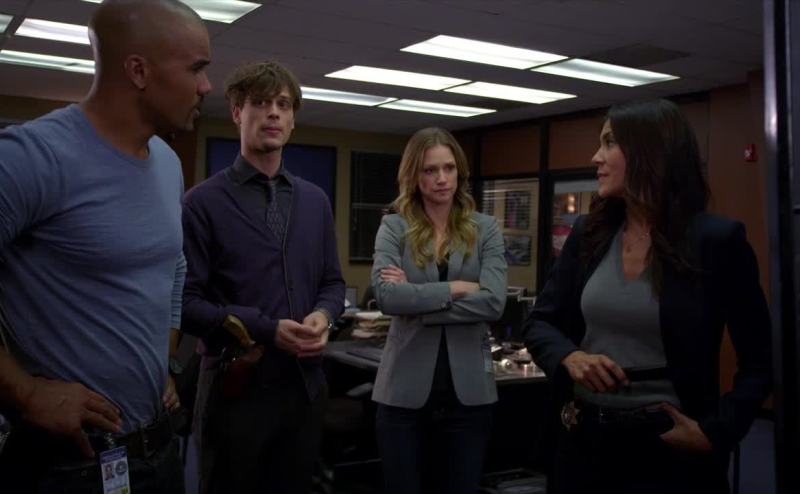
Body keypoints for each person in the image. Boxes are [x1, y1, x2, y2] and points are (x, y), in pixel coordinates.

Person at [0, 0, 212, 492]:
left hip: (156, 451)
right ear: (138, 71)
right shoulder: (34, 157)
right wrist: (26, 393)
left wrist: (160, 363)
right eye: (196, 68)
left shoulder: (166, 162)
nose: (206, 85)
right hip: (68, 465)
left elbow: (173, 270)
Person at [523, 99, 772, 494]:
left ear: (649, 152)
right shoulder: (589, 233)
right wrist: (570, 356)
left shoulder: (715, 241)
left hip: (668, 446)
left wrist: (717, 432)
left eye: (609, 143)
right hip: (582, 440)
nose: (595, 157)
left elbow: (760, 359)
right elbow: (540, 323)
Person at [181, 60, 345, 494]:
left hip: (304, 390)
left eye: (283, 104)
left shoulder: (315, 201)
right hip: (236, 390)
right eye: (260, 103)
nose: (273, 112)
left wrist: (324, 316)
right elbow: (185, 303)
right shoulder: (202, 203)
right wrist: (267, 329)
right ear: (238, 112)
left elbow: (333, 283)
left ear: (292, 120)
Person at [370, 127, 508, 494]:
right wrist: (457, 287)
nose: (442, 178)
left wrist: (419, 303)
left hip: (470, 393)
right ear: (414, 175)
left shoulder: (486, 229)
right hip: (403, 393)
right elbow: (386, 297)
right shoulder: (394, 227)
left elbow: (495, 302)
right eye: (430, 170)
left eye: (449, 168)